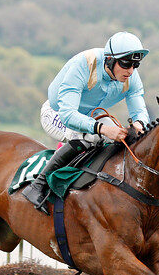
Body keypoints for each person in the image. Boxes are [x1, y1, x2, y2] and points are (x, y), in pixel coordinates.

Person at [23, 31, 151, 214]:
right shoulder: (84, 65)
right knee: (92, 136)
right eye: (126, 63)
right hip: (58, 114)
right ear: (109, 59)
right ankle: (38, 185)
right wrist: (103, 129)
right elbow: (68, 115)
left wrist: (139, 125)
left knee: (118, 139)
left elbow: (139, 111)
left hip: (91, 116)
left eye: (135, 64)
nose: (130, 70)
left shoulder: (131, 77)